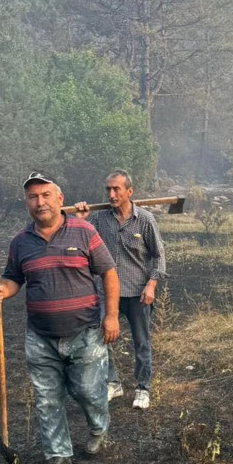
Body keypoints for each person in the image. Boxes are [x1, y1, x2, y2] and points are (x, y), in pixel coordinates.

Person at [0, 172, 120, 464]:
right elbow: (13, 279)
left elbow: (110, 273)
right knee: (47, 400)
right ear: (27, 203)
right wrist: (2, 291)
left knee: (88, 391)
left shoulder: (85, 232)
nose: (40, 202)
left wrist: (111, 316)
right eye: (33, 197)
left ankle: (99, 427)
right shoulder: (21, 243)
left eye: (46, 195)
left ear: (60, 199)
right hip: (40, 337)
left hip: (85, 332)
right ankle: (58, 456)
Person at [74, 170, 166, 410]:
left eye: (116, 189)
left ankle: (143, 388)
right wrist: (82, 219)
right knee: (101, 339)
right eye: (108, 189)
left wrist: (152, 284)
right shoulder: (100, 220)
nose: (111, 194)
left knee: (141, 342)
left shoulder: (144, 219)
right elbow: (80, 241)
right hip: (107, 293)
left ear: (129, 192)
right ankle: (112, 382)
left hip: (137, 292)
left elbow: (159, 256)